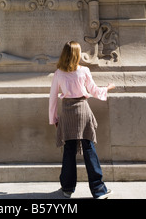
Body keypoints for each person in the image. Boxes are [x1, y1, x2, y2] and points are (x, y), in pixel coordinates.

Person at [49, 41, 115, 199]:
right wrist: (107, 88)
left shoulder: (58, 73)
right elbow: (94, 90)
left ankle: (67, 189)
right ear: (77, 55)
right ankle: (99, 190)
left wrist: (54, 118)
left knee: (69, 150)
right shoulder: (84, 70)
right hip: (82, 111)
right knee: (89, 148)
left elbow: (52, 98)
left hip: (67, 113)